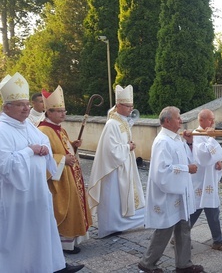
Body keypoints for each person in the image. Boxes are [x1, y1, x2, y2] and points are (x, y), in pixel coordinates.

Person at [0, 73, 83, 273]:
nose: (26, 108)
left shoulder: (26, 123)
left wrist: (43, 149)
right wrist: (31, 150)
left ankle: (52, 264)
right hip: (16, 197)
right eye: (20, 105)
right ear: (6, 107)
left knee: (43, 229)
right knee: (21, 235)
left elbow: (42, 141)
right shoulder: (2, 129)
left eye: (26, 104)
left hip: (37, 191)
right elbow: (5, 165)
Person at [138, 106, 205, 273]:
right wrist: (186, 169)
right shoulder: (162, 141)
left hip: (180, 192)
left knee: (184, 227)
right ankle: (147, 264)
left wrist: (189, 143)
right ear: (167, 121)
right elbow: (161, 171)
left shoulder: (175, 139)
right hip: (168, 194)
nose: (181, 120)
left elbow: (187, 158)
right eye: (178, 118)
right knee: (165, 229)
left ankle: (184, 265)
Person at [38, 86, 92, 254]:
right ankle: (63, 244)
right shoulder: (42, 131)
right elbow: (41, 158)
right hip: (59, 180)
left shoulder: (60, 129)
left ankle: (72, 239)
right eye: (59, 111)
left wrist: (72, 146)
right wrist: (62, 159)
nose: (63, 114)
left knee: (74, 207)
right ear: (49, 112)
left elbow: (64, 149)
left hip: (69, 176)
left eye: (64, 111)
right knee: (64, 209)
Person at [88, 85, 145, 238]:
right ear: (119, 105)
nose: (130, 109)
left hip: (124, 164)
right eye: (127, 106)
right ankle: (109, 227)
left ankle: (120, 223)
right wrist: (128, 147)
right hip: (113, 168)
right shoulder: (111, 124)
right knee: (113, 198)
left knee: (122, 198)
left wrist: (128, 146)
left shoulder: (123, 121)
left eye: (132, 106)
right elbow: (110, 150)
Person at [190, 109, 222, 251]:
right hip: (201, 179)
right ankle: (218, 241)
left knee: (207, 208)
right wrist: (211, 138)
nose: (213, 122)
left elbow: (211, 154)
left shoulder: (204, 134)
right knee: (201, 208)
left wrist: (217, 160)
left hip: (207, 178)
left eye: (213, 119)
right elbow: (203, 156)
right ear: (201, 120)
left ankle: (217, 240)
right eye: (210, 119)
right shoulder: (197, 134)